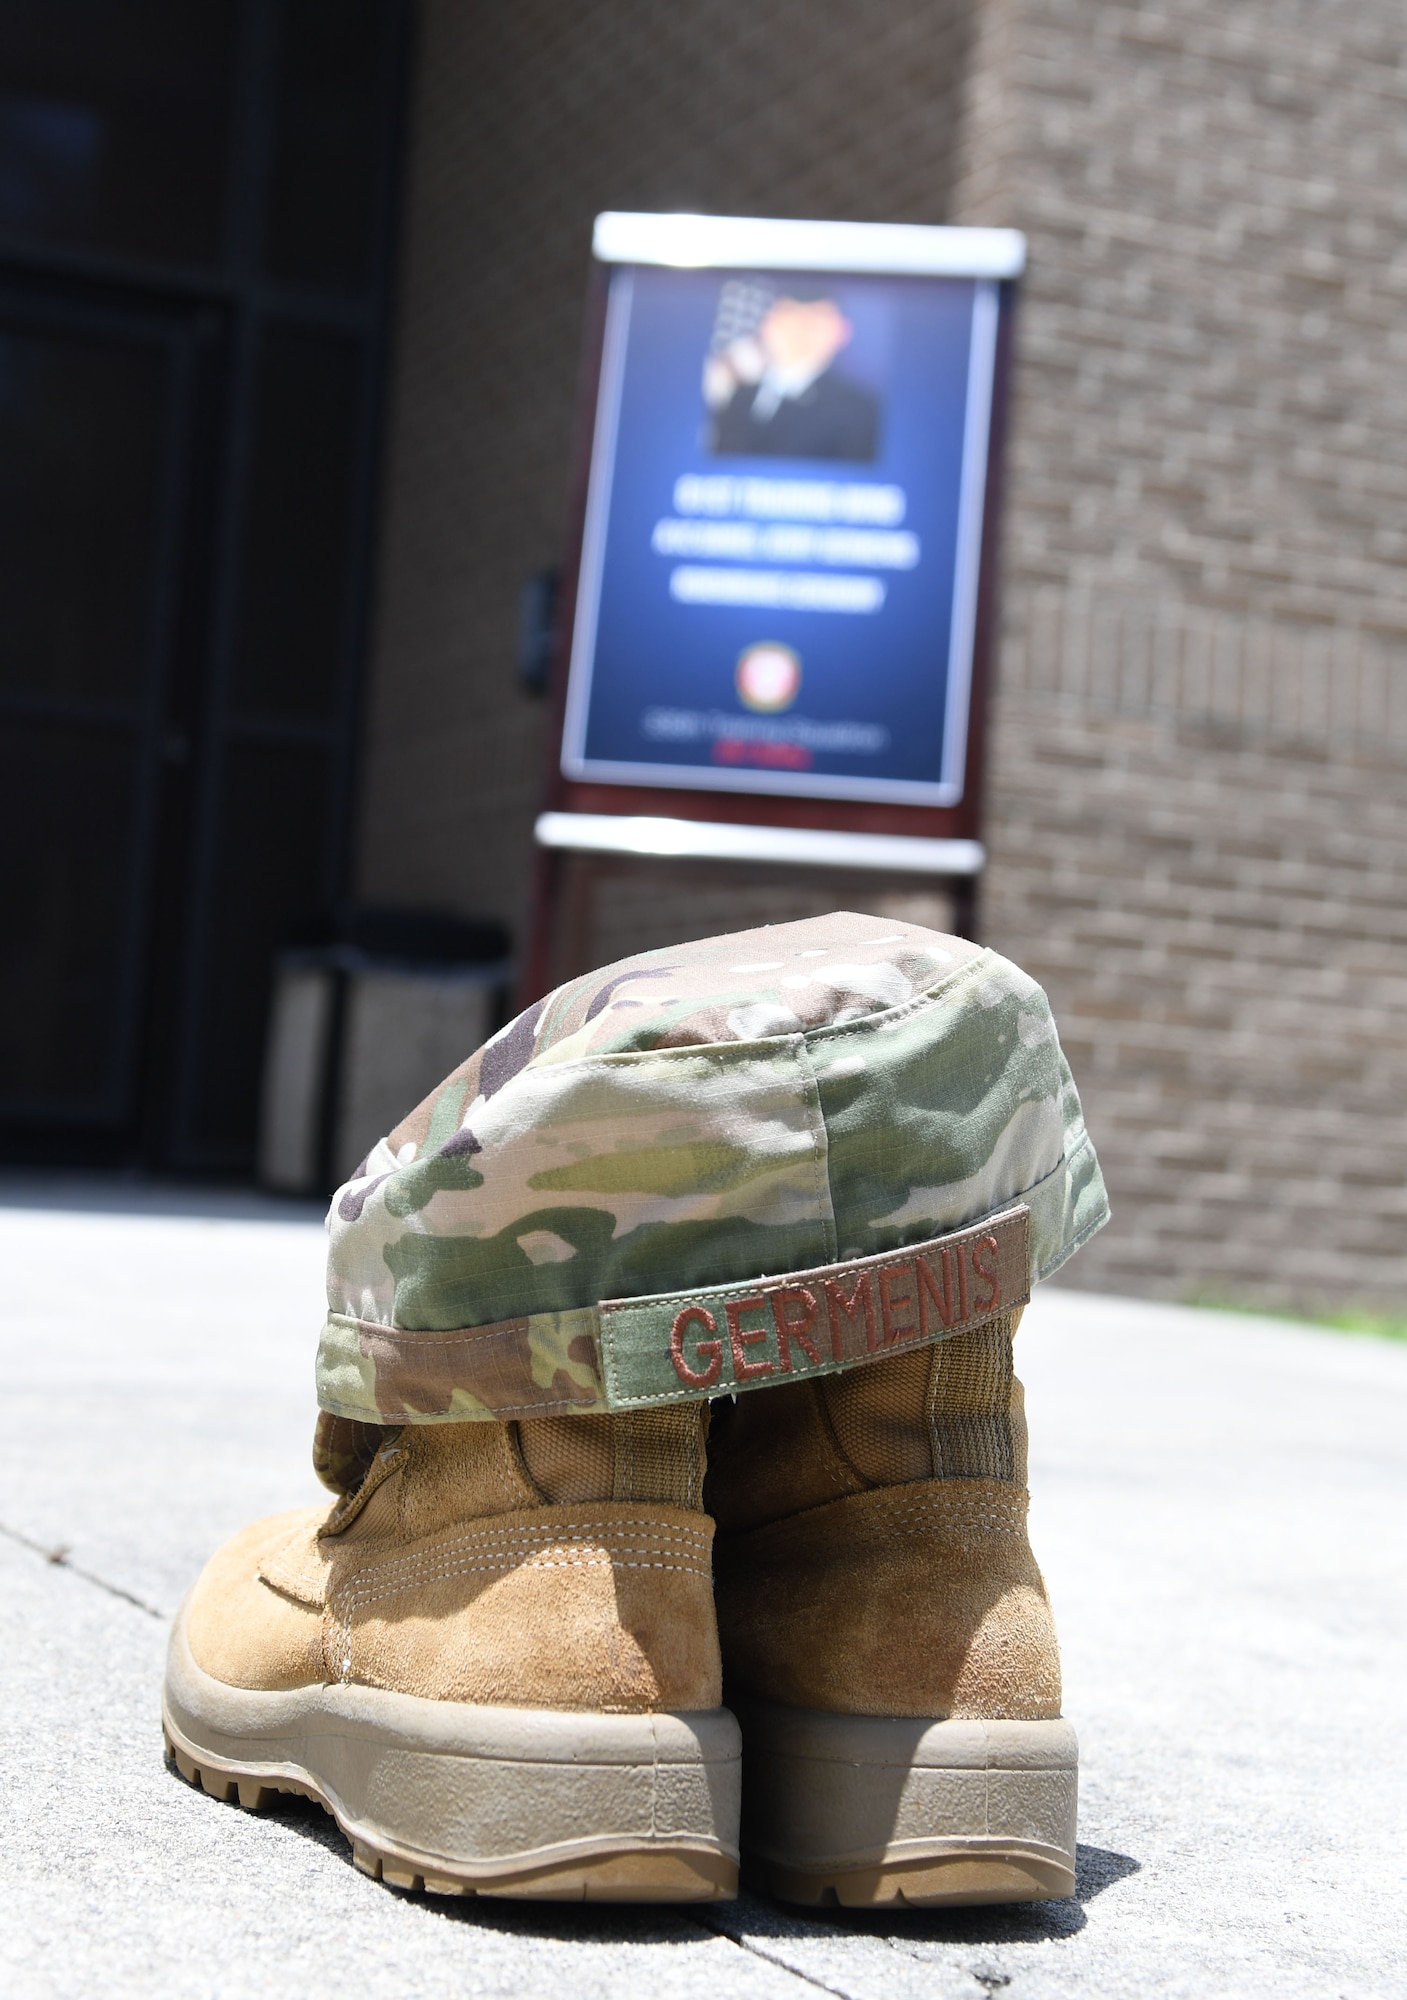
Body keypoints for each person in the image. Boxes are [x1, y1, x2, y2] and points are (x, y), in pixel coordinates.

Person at [162, 911, 1108, 1907]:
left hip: (521, 1603)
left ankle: (555, 1603)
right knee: (902, 1390)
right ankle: (939, 1607)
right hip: (970, 1579)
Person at [710, 285, 881, 461]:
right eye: (789, 313)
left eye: (816, 317)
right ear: (767, 324)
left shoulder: (859, 411)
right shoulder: (741, 396)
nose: (801, 326)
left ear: (841, 331)